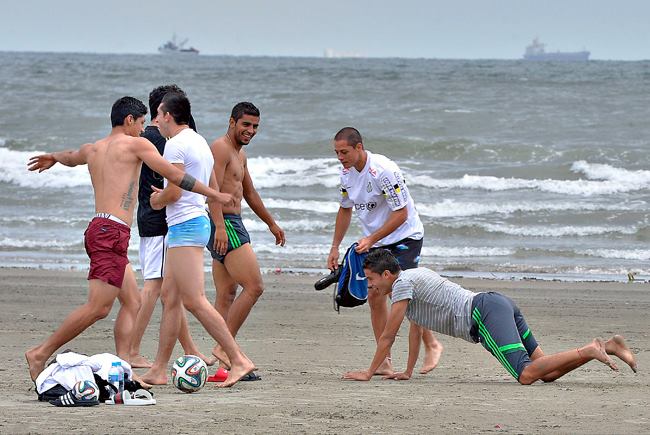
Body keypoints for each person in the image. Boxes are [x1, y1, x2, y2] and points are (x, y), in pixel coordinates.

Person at [24, 96, 230, 382]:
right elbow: (175, 176)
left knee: (133, 301)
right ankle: (40, 352)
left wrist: (53, 157)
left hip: (101, 228)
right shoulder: (137, 144)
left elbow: (71, 156)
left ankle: (122, 366)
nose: (145, 129)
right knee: (98, 308)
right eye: (143, 122)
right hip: (111, 234)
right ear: (129, 120)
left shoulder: (94, 148)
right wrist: (215, 195)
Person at [343, 249, 638, 384]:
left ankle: (588, 348)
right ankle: (608, 346)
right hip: (496, 304)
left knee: (526, 375)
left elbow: (388, 335)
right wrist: (408, 370)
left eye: (371, 280)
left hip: (483, 315)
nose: (369, 286)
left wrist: (369, 373)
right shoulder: (410, 281)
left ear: (386, 274)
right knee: (546, 373)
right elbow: (415, 329)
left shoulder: (402, 285)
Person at [140, 92, 255, 387]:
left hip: (186, 225)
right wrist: (211, 202)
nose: (157, 122)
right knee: (171, 297)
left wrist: (157, 200)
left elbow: (176, 190)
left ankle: (238, 359)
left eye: (159, 116)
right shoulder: (199, 141)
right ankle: (159, 369)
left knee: (194, 300)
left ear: (167, 115)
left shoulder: (175, 145)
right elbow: (212, 184)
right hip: (195, 223)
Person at [327, 127, 442, 375]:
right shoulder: (346, 174)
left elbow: (402, 214)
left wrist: (371, 238)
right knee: (375, 296)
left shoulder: (384, 171)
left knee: (403, 295)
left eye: (344, 151)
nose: (340, 157)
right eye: (336, 152)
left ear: (359, 147)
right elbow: (345, 209)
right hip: (377, 241)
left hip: (405, 237)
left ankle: (432, 344)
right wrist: (335, 247)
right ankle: (384, 361)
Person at [128, 84, 214, 368]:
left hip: (152, 217)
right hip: (161, 221)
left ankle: (190, 349)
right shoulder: (163, 139)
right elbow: (177, 185)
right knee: (155, 287)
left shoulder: (146, 136)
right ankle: (132, 349)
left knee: (171, 294)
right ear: (162, 111)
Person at [206, 102, 285, 371]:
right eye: (246, 125)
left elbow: (249, 193)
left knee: (226, 294)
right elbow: (211, 190)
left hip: (231, 221)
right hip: (224, 223)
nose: (250, 130)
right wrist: (217, 225)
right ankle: (224, 347)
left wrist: (271, 223)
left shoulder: (240, 155)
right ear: (232, 122)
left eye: (255, 127)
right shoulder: (220, 148)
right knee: (255, 287)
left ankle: (222, 360)